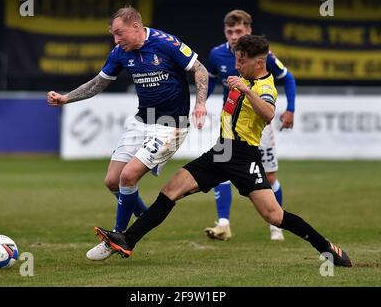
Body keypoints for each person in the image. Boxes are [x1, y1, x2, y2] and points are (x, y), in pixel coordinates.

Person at [93, 35, 352, 268]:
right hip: (221, 152)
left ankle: (326, 247)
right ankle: (128, 239)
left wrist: (246, 89)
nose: (237, 66)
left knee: (274, 215)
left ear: (258, 63)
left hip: (244, 157)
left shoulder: (264, 87)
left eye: (242, 61)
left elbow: (269, 113)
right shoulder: (242, 79)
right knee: (170, 191)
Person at [47, 6, 208, 261]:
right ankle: (144, 219)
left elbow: (200, 69)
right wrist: (66, 98)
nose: (116, 40)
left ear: (136, 27)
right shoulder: (120, 53)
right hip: (142, 121)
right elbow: (99, 83)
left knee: (128, 176)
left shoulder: (166, 43)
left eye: (119, 34)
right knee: (112, 181)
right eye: (113, 35)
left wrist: (200, 103)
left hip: (171, 125)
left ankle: (118, 236)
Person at [204, 10, 296, 241]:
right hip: (230, 124)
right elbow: (212, 78)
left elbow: (288, 78)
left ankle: (277, 226)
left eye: (239, 31)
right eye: (230, 31)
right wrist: (200, 104)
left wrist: (291, 108)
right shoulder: (216, 54)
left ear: (249, 31)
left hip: (257, 125)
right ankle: (223, 224)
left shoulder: (263, 56)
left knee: (270, 176)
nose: (234, 36)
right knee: (221, 168)